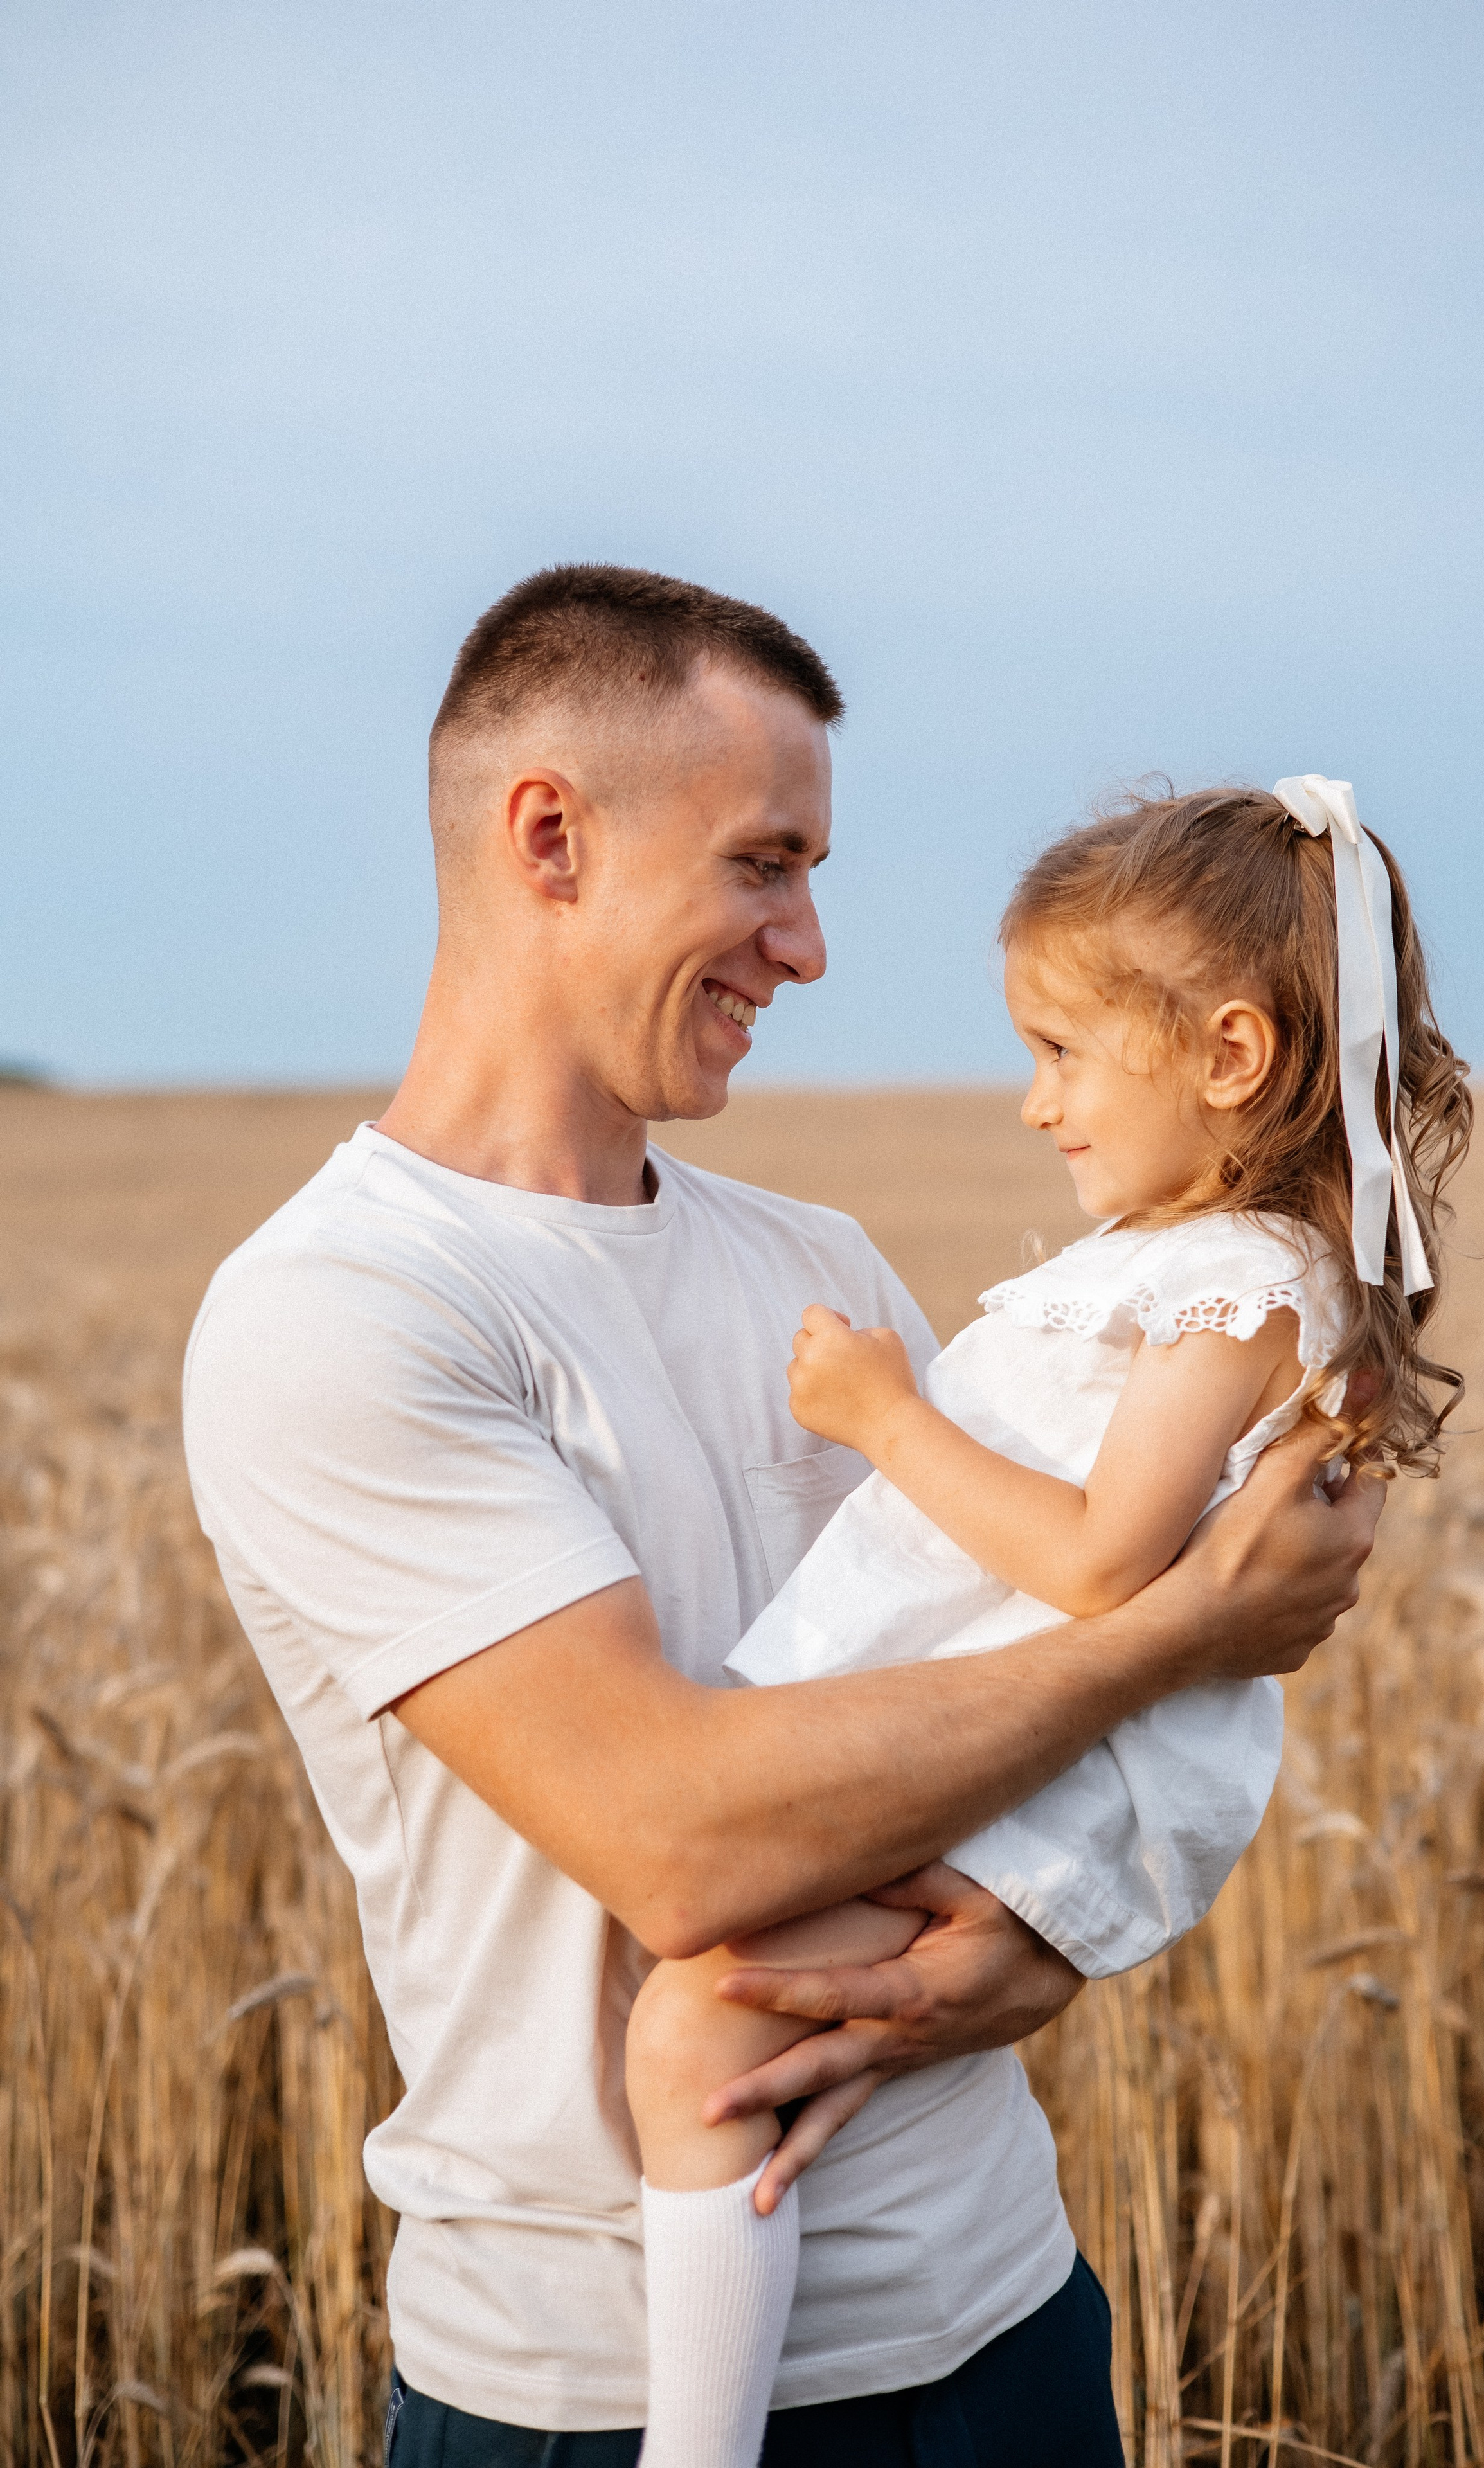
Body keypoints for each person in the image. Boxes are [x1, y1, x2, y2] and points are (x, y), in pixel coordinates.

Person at [182, 568, 1384, 2467]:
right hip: (605, 2393)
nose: (809, 946)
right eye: (766, 863)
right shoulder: (343, 1312)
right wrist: (1191, 1624)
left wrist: (1051, 1951)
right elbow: (679, 1841)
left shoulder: (817, 1265)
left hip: (1006, 2322)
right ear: (551, 837)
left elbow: (1060, 1674)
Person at [624, 777, 1471, 2465]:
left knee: (693, 2030)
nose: (1036, 1106)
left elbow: (1102, 1567)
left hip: (1044, 1777)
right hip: (1001, 1742)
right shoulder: (1191, 1262)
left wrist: (885, 1418)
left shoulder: (1242, 1290)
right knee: (725, 2019)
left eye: (1065, 1053)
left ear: (1229, 1059)